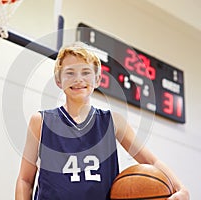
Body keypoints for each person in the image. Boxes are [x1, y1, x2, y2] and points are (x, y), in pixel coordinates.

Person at [15, 42, 190, 200]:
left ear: (98, 79)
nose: (78, 79)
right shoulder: (41, 121)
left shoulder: (113, 122)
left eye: (85, 72)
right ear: (58, 81)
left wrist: (181, 189)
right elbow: (25, 179)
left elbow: (151, 162)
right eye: (70, 73)